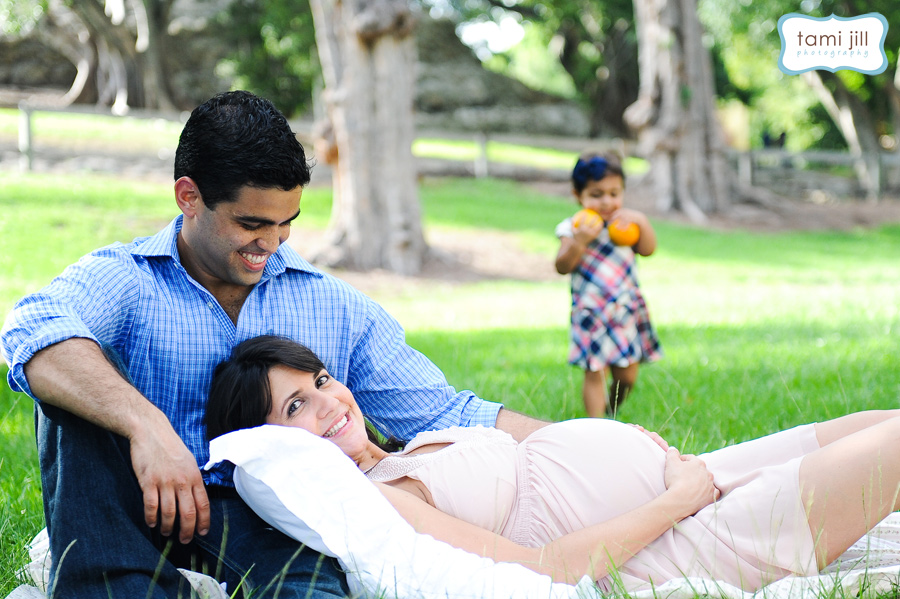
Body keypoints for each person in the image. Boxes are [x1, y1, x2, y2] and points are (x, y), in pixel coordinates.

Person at [0, 90, 545, 598]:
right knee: (74, 361)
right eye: (251, 223)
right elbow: (33, 328)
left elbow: (445, 411)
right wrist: (146, 424)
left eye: (286, 223)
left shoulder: (332, 304)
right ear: (189, 197)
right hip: (138, 501)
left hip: (266, 516)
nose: (271, 243)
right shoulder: (130, 278)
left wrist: (591, 441)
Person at [207, 334, 900, 593]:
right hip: (687, 537)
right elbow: (544, 571)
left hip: (701, 477)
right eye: (295, 407)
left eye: (321, 381)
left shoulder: (409, 449)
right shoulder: (385, 503)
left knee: (875, 424)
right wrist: (677, 499)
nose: (327, 402)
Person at [555, 151, 662, 417]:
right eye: (596, 194)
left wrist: (642, 221)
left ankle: (609, 413)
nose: (607, 202)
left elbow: (648, 249)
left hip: (624, 309)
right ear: (578, 195)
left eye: (614, 194)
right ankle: (597, 427)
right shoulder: (573, 228)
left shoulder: (627, 226)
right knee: (595, 373)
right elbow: (562, 266)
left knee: (627, 377)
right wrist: (580, 242)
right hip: (591, 312)